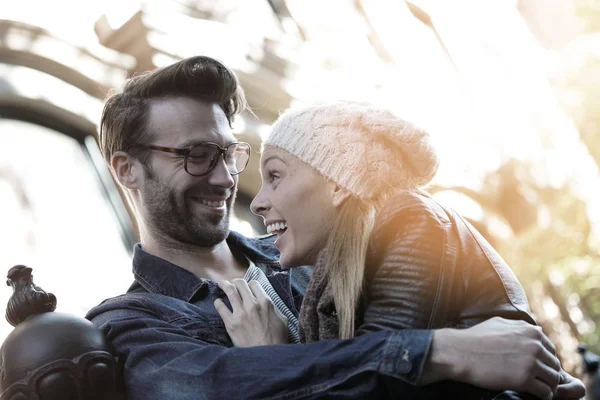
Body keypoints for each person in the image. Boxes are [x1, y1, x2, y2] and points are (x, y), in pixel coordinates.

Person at [86, 55, 583, 400]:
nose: (225, 178)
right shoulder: (129, 325)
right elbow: (217, 387)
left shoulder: (317, 245)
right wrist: (442, 353)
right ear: (126, 169)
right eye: (196, 156)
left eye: (228, 154)